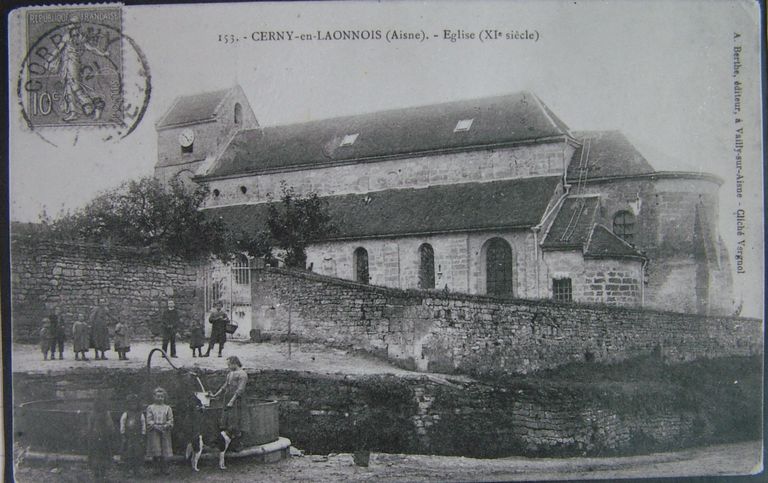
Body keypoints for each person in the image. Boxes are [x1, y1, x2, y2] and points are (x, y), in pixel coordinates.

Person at [211, 356, 249, 446]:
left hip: (237, 401)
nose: (228, 366)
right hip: (227, 398)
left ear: (234, 363)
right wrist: (215, 395)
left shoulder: (242, 374)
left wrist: (232, 401)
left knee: (237, 420)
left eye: (229, 364)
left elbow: (240, 389)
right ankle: (227, 442)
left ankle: (238, 443)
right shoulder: (230, 374)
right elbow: (225, 386)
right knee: (227, 419)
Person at [146, 386, 173, 476]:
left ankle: (165, 468)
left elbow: (170, 419)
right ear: (154, 397)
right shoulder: (150, 407)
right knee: (156, 449)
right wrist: (155, 426)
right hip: (154, 430)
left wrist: (166, 425)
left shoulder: (167, 408)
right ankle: (156, 468)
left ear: (164, 397)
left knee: (165, 450)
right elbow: (149, 419)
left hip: (165, 430)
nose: (160, 398)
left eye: (162, 396)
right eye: (158, 396)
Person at [88, 397, 115, 481]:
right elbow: (90, 426)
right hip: (95, 439)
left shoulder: (106, 414)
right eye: (98, 404)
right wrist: (90, 434)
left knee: (104, 455)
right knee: (95, 456)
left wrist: (108, 432)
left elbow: (110, 426)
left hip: (104, 438)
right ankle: (96, 473)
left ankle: (103, 473)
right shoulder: (92, 414)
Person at [120, 394, 146, 477]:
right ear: (128, 404)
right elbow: (122, 424)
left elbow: (143, 424)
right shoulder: (126, 414)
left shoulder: (140, 414)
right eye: (131, 404)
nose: (133, 406)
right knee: (128, 454)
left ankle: (137, 470)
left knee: (138, 454)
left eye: (135, 404)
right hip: (129, 437)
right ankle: (128, 470)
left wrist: (143, 434)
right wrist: (123, 434)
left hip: (138, 438)